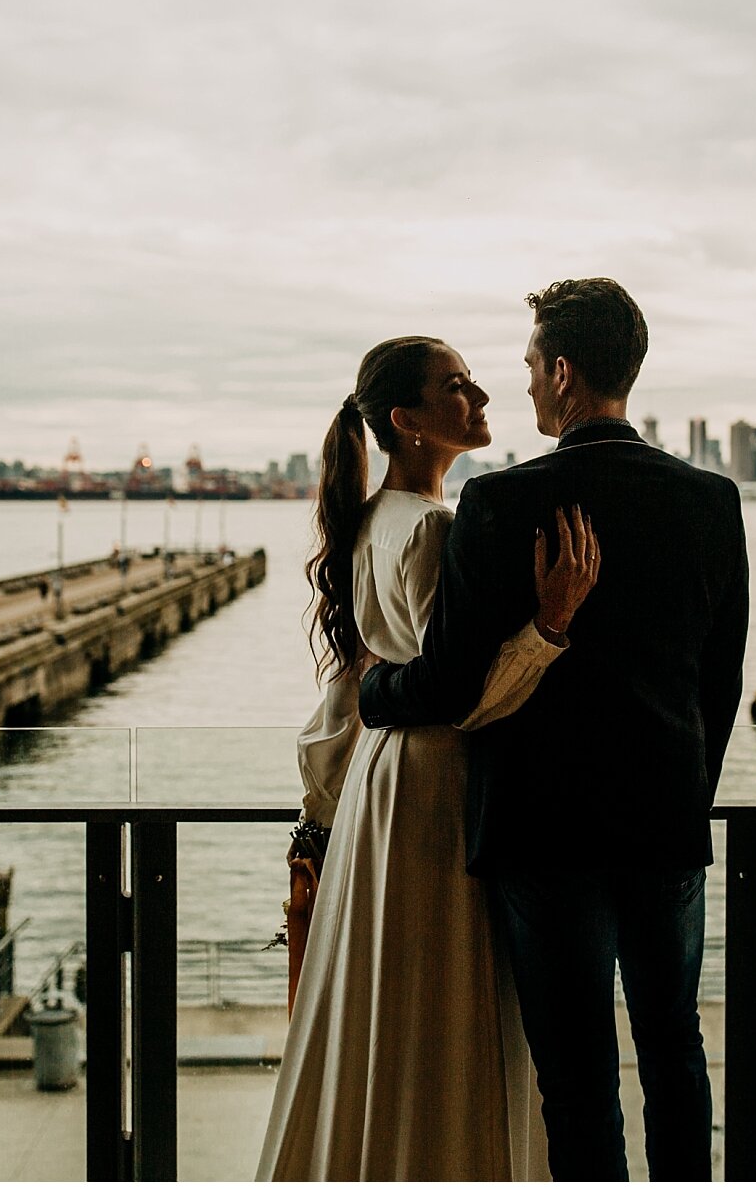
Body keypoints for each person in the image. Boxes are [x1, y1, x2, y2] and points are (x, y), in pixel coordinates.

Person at [360, 279, 749, 1181]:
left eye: (532, 365)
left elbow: (451, 684)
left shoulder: (499, 507)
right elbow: (719, 684)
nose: (526, 383)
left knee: (575, 1083)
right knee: (675, 1054)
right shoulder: (711, 501)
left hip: (545, 833)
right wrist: (690, 795)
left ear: (565, 373)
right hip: (665, 827)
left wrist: (374, 694)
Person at [258, 337, 602, 1182]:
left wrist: (323, 803)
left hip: (381, 780)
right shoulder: (436, 529)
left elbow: (359, 688)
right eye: (456, 388)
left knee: (384, 999)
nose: (481, 395)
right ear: (407, 422)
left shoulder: (366, 520)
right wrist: (549, 629)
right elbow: (465, 696)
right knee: (449, 1004)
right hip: (439, 785)